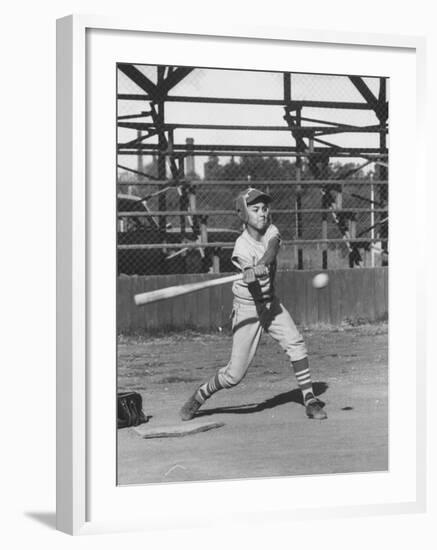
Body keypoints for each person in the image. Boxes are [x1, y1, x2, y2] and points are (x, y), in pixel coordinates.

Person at [180, 187, 327, 421]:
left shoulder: (272, 230)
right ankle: (200, 395)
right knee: (234, 375)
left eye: (264, 208)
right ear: (243, 214)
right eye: (255, 209)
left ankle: (309, 399)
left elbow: (273, 248)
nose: (262, 213)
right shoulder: (241, 246)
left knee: (296, 343)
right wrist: (249, 273)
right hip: (247, 309)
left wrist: (262, 263)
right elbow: (248, 273)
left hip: (271, 304)